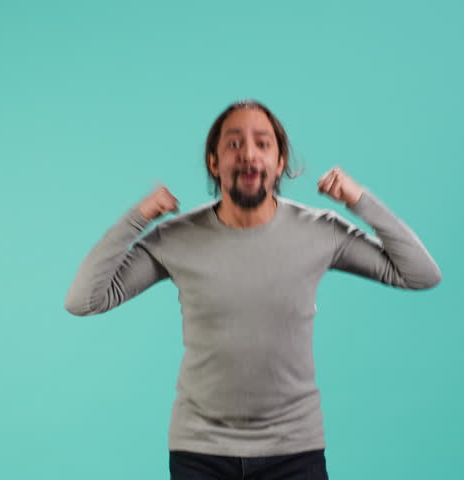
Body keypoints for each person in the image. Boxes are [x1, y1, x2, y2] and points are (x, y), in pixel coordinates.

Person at [64, 99, 442, 479]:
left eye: (262, 143)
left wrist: (359, 200)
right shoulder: (175, 238)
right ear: (214, 163)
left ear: (279, 163)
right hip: (199, 453)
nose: (248, 154)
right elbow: (84, 300)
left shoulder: (321, 231)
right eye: (234, 143)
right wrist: (138, 217)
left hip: (295, 452)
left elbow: (420, 274)